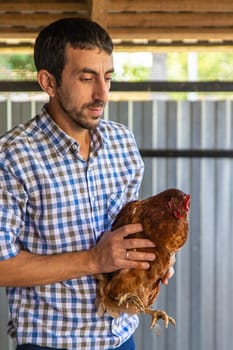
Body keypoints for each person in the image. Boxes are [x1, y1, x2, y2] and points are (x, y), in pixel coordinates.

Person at [0, 17, 174, 350]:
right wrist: (94, 259)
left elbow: (129, 229)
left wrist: (152, 257)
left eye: (107, 77)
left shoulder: (122, 143)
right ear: (48, 82)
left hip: (122, 339)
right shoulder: (12, 155)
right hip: (51, 343)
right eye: (86, 78)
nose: (102, 94)